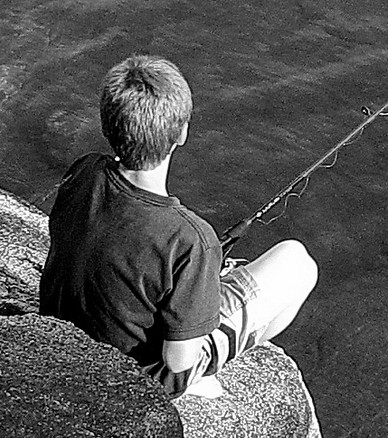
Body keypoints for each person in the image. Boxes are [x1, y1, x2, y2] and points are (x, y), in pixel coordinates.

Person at [40, 55, 319, 399]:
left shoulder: (84, 172)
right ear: (182, 133)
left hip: (65, 336)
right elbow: (177, 359)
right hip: (142, 379)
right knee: (297, 261)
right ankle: (208, 372)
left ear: (107, 125)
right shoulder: (190, 239)